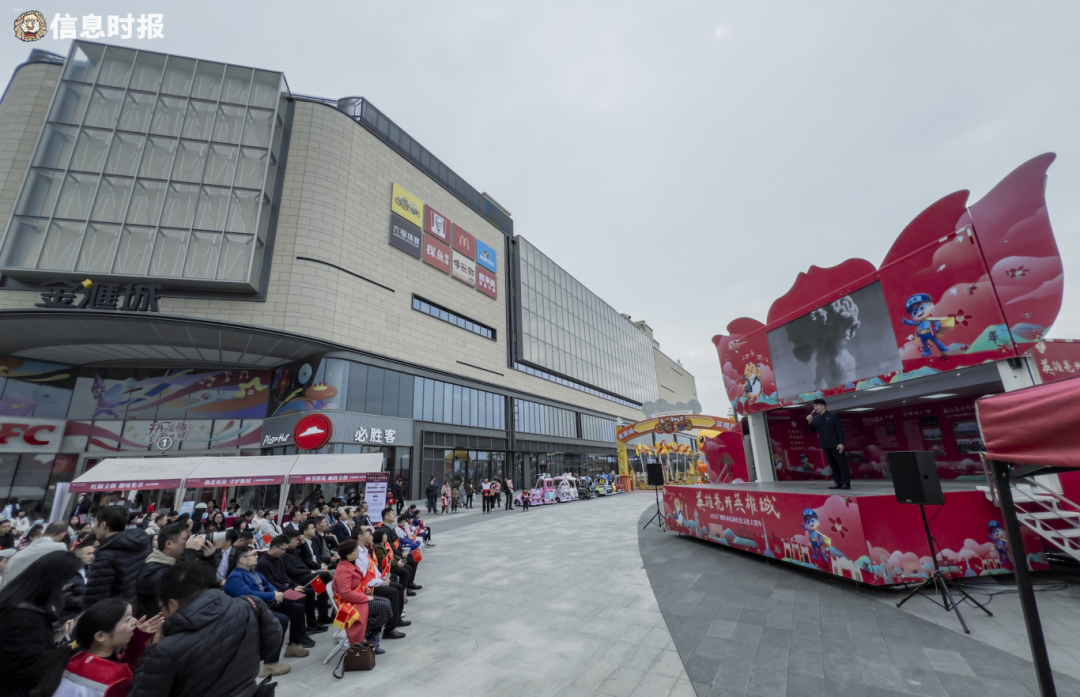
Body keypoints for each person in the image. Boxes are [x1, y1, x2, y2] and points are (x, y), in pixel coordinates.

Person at [127, 562, 283, 696]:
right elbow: (273, 640)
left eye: (161, 607)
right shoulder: (248, 605)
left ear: (173, 604)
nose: (161, 613)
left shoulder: (164, 650)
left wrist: (153, 647)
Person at [0, 551, 83, 696]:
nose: (66, 588)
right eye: (67, 582)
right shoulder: (24, 617)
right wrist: (71, 647)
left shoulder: (16, 599)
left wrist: (55, 637)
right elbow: (31, 667)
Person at [55, 598, 161, 697]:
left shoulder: (73, 658)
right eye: (128, 619)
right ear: (101, 636)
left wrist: (137, 639)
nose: (135, 622)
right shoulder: (118, 678)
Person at [224, 546, 311, 660]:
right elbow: (248, 595)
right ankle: (271, 662)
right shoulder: (235, 577)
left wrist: (275, 592)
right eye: (254, 555)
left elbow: (267, 584)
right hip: (251, 610)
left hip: (266, 605)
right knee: (281, 619)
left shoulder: (255, 571)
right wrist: (273, 596)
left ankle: (294, 646)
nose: (257, 557)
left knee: (297, 608)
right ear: (242, 560)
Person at [135, 522, 216, 619]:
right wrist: (190, 552)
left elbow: (207, 582)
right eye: (186, 539)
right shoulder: (151, 570)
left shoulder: (179, 560)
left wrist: (208, 557)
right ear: (169, 544)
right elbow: (178, 582)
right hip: (158, 623)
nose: (190, 542)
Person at [257, 535, 327, 636]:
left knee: (314, 588)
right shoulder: (265, 562)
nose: (297, 542)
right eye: (295, 539)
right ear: (274, 547)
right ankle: (306, 629)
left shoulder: (287, 554)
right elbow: (282, 576)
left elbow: (287, 574)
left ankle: (316, 620)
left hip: (296, 579)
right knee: (319, 578)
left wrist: (295, 585)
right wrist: (293, 586)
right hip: (292, 581)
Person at [84, 506, 153, 607]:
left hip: (114, 609)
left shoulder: (106, 555)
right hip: (134, 605)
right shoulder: (141, 543)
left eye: (95, 522)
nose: (93, 527)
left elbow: (95, 597)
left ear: (103, 525)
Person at [333, 538, 394, 649]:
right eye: (355, 550)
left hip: (356, 598)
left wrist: (364, 589)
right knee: (383, 607)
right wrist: (365, 598)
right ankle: (370, 635)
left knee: (387, 602)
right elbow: (345, 593)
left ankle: (371, 634)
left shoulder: (351, 564)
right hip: (348, 604)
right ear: (348, 555)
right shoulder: (343, 570)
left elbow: (355, 585)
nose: (358, 552)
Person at [3, 520, 70, 583]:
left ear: (44, 532)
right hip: (21, 582)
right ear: (62, 535)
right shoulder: (60, 547)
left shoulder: (36, 542)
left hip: (9, 577)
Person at [806, 398, 850, 490]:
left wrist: (841, 443)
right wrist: (810, 422)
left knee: (842, 464)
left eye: (817, 406)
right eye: (814, 406)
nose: (815, 408)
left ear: (823, 406)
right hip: (825, 444)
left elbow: (840, 430)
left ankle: (846, 483)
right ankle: (838, 483)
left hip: (836, 444)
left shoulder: (833, 416)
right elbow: (812, 430)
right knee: (833, 464)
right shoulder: (816, 418)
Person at [62, 534, 97, 619]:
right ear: (77, 555)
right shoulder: (67, 573)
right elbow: (67, 599)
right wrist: (90, 601)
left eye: (93, 553)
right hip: (70, 615)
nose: (92, 556)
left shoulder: (90, 569)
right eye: (88, 554)